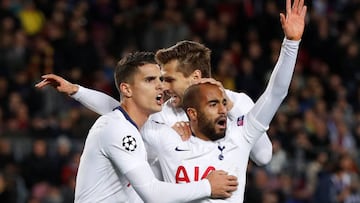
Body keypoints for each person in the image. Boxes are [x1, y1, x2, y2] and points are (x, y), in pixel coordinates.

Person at [36, 0, 307, 201]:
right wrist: (77, 91)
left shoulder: (239, 121)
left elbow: (275, 99)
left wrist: (291, 43)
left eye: (168, 79)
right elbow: (121, 112)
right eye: (157, 80)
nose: (163, 87)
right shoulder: (165, 129)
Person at [62, 52, 238, 202]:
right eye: (150, 80)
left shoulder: (135, 126)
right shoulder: (116, 129)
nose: (160, 86)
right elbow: (152, 194)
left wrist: (76, 90)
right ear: (127, 90)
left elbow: (112, 106)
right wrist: (208, 186)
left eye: (160, 79)